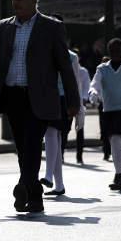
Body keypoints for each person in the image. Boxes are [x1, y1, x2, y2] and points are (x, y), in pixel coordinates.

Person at [0, 0, 79, 214]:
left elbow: (65, 67)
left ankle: (24, 186)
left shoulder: (51, 27)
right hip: (13, 96)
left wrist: (73, 101)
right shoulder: (5, 26)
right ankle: (33, 195)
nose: (15, 2)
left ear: (33, 0)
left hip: (39, 97)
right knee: (23, 147)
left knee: (31, 144)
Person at [40, 15, 87, 197]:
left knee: (52, 134)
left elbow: (77, 83)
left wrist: (80, 109)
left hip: (64, 100)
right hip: (47, 99)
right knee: (55, 139)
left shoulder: (71, 57)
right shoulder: (42, 53)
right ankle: (58, 185)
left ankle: (48, 175)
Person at [88, 38, 121, 192]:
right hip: (108, 110)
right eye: (112, 50)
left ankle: (119, 175)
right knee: (113, 141)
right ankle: (118, 174)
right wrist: (93, 93)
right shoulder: (102, 69)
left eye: (118, 50)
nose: (115, 53)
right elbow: (94, 84)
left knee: (116, 138)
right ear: (109, 52)